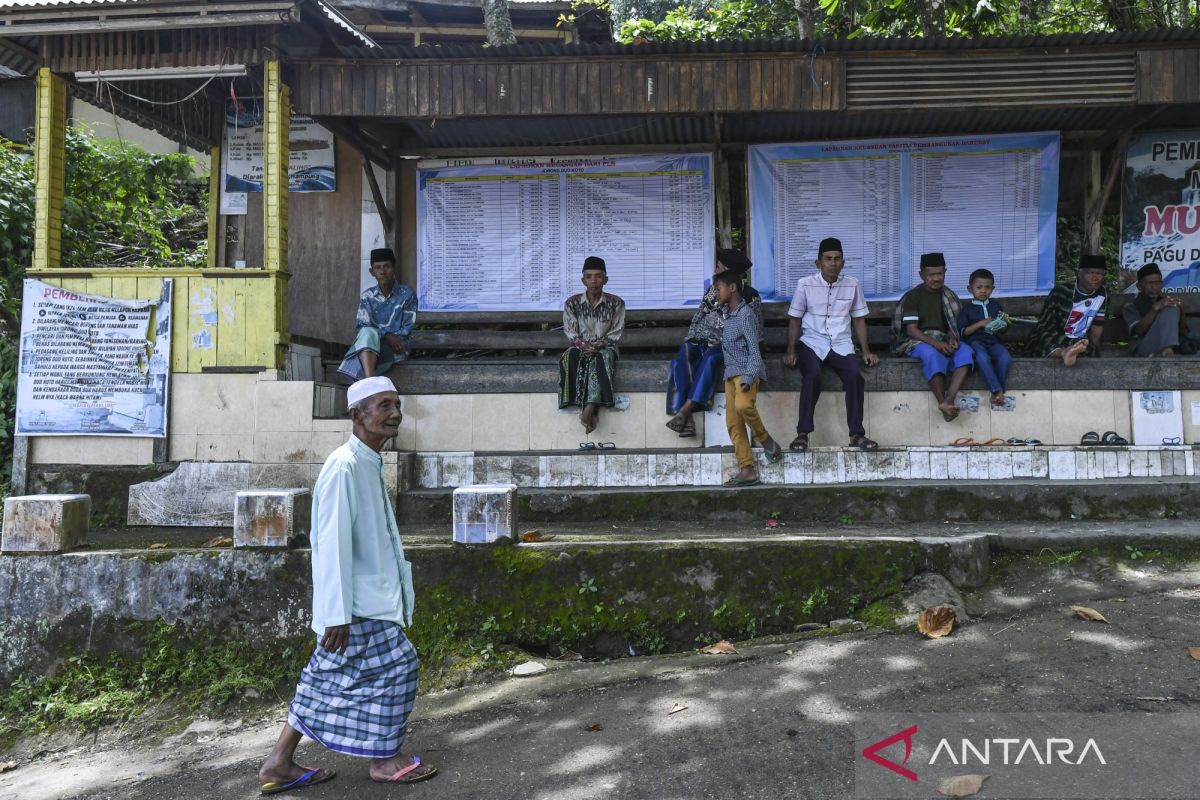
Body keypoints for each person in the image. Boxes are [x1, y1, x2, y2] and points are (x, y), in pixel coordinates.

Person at [257, 376, 437, 793]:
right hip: (356, 604)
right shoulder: (344, 466)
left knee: (328, 678)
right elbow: (330, 543)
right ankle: (384, 759)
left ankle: (278, 763)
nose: (394, 414)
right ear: (357, 414)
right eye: (383, 406)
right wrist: (335, 613)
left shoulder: (367, 461)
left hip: (366, 598)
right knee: (398, 666)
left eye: (397, 405)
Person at [783, 237, 879, 452]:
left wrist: (866, 351)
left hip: (841, 343)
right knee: (812, 375)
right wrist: (790, 350)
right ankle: (803, 433)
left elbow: (859, 320)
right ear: (819, 263)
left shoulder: (852, 284)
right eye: (828, 259)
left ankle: (856, 434)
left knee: (855, 377)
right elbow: (795, 319)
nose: (832, 263)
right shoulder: (805, 284)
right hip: (812, 342)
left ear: (843, 263)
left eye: (837, 259)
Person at [665, 249, 762, 438]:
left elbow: (755, 330)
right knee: (681, 359)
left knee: (709, 359)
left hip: (729, 346)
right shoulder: (712, 290)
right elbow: (699, 316)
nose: (714, 270)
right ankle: (687, 418)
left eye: (718, 267)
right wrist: (692, 338)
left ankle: (686, 409)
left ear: (729, 272)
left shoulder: (750, 296)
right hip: (701, 341)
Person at [716, 269, 783, 487]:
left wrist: (749, 376)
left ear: (732, 288)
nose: (716, 293)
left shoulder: (745, 315)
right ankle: (747, 470)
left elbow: (755, 350)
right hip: (730, 375)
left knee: (744, 406)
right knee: (733, 425)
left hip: (746, 372)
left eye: (719, 288)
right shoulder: (727, 314)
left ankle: (766, 440)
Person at [892, 252, 974, 422]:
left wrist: (952, 339)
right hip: (918, 341)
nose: (936, 278)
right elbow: (911, 330)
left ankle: (949, 400)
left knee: (966, 352)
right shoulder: (913, 297)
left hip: (942, 340)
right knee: (930, 354)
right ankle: (942, 401)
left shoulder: (949, 296)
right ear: (922, 275)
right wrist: (936, 344)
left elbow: (953, 326)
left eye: (940, 274)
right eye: (931, 274)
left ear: (945, 272)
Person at [560, 256, 626, 434]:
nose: (593, 281)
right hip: (581, 347)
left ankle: (589, 407)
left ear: (605, 279)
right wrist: (583, 345)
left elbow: (616, 332)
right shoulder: (572, 303)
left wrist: (597, 346)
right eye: (589, 276)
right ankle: (584, 405)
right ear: (583, 280)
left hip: (607, 347)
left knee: (603, 357)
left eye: (598, 276)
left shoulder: (616, 303)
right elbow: (570, 330)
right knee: (569, 356)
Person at [337, 248, 418, 381]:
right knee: (367, 333)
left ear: (394, 268)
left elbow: (406, 330)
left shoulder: (407, 294)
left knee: (364, 347)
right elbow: (362, 326)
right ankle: (370, 381)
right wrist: (386, 334)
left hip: (396, 349)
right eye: (378, 267)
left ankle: (367, 382)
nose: (382, 271)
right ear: (372, 272)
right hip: (370, 347)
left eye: (387, 266)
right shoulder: (367, 297)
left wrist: (386, 337)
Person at [1027, 254, 1108, 366]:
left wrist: (1097, 352)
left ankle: (1071, 351)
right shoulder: (1061, 292)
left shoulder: (1103, 295)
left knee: (1086, 347)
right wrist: (1063, 340)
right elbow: (1046, 324)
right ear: (1079, 274)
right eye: (1090, 273)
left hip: (1079, 340)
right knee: (1043, 340)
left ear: (1104, 275)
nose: (1094, 278)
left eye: (1099, 273)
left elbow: (1097, 326)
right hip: (1055, 334)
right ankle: (1065, 352)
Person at [956, 268, 1013, 407]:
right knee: (982, 357)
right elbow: (963, 332)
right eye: (979, 287)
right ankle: (997, 391)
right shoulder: (966, 309)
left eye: (987, 287)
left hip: (994, 342)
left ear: (992, 289)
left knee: (1005, 357)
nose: (983, 290)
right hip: (975, 343)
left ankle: (997, 391)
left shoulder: (995, 306)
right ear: (970, 289)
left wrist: (1004, 322)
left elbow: (1003, 331)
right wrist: (980, 324)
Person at [1123, 263, 1186, 357]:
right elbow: (1138, 331)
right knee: (1170, 307)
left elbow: (1183, 332)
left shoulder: (1166, 302)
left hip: (1172, 347)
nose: (1155, 287)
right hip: (1143, 348)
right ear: (1139, 286)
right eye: (1150, 283)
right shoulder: (1130, 307)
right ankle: (1166, 351)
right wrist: (1154, 309)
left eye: (1158, 282)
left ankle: (1165, 351)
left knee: (1172, 307)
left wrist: (1181, 312)